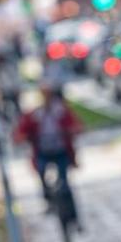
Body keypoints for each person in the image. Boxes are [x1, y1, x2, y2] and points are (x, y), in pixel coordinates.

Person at [13, 83, 82, 230]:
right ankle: (48, 200)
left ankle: (75, 219)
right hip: (43, 152)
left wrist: (73, 130)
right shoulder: (35, 114)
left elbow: (76, 124)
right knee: (42, 173)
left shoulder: (61, 111)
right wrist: (22, 137)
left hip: (61, 152)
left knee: (65, 184)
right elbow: (21, 131)